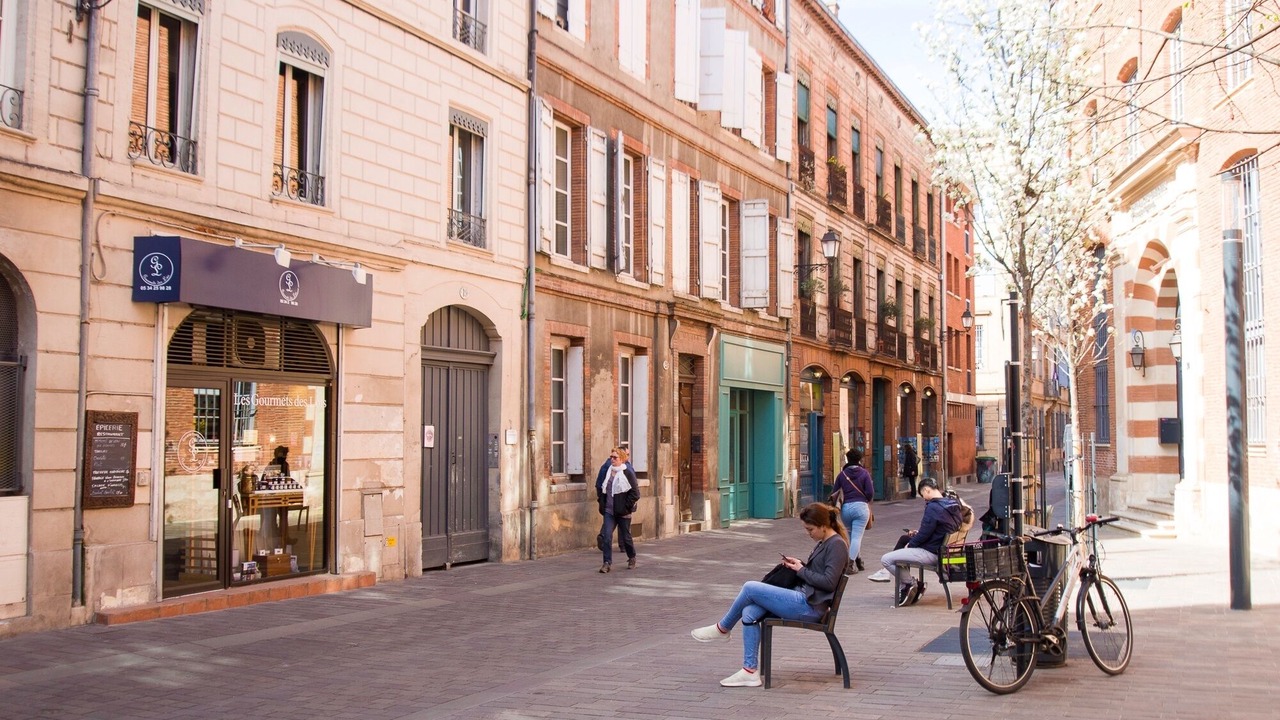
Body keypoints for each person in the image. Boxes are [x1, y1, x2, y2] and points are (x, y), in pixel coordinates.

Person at [690, 503, 849, 688]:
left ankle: (723, 628)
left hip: (810, 606)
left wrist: (801, 570)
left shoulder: (837, 545)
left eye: (810, 529)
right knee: (749, 612)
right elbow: (818, 574)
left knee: (750, 587)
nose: (809, 533)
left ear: (823, 526)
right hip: (803, 598)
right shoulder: (825, 542)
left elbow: (829, 582)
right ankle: (749, 672)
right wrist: (799, 565)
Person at [872, 478, 963, 607]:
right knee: (904, 542)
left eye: (923, 494)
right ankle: (908, 586)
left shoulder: (933, 507)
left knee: (886, 559)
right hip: (942, 549)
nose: (924, 498)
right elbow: (937, 529)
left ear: (927, 490)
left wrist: (911, 545)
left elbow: (925, 533)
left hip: (932, 553)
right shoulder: (952, 504)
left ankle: (909, 583)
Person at [595, 446, 640, 573]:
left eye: (615, 457)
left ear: (622, 459)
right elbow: (601, 486)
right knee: (607, 537)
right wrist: (602, 502)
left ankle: (632, 557)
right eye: (611, 457)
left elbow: (635, 493)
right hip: (609, 510)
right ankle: (607, 563)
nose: (612, 460)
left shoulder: (627, 472)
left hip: (623, 511)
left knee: (626, 537)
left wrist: (626, 507)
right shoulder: (608, 470)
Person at [832, 448, 874, 572]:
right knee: (856, 537)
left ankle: (858, 561)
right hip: (860, 507)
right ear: (859, 459)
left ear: (848, 459)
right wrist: (865, 499)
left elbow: (835, 492)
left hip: (846, 509)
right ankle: (849, 565)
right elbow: (870, 492)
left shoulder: (842, 474)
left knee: (852, 536)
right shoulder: (864, 473)